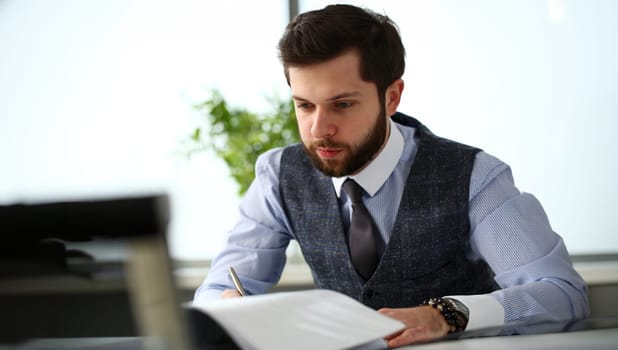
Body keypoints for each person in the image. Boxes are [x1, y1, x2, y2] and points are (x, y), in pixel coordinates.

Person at [194, 4, 589, 347]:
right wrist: (227, 308)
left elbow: (563, 295)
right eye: (304, 105)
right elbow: (215, 292)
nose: (318, 129)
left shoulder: (475, 176)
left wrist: (446, 314)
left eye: (342, 104)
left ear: (392, 96)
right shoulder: (277, 175)